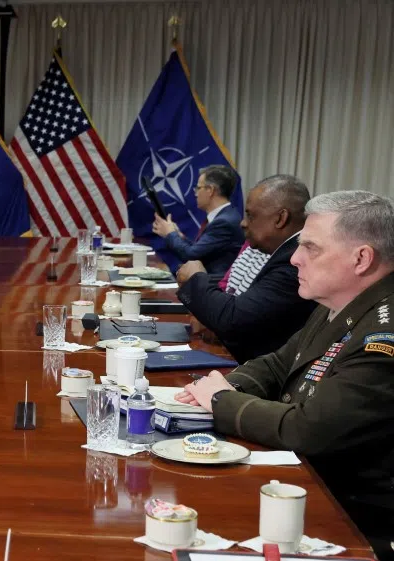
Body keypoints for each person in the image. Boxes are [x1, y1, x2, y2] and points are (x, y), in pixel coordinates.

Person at [175, 191, 394, 561]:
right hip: (311, 484)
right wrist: (224, 384)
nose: (294, 258)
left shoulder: (383, 335)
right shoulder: (342, 302)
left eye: (311, 248)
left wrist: (221, 400)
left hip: (355, 518)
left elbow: (308, 429)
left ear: (362, 258)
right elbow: (280, 363)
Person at [175, 175, 317, 362]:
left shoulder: (295, 262)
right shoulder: (283, 252)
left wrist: (196, 278)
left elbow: (234, 320)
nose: (243, 223)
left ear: (280, 218)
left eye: (251, 215)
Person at [152, 165, 244, 274]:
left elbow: (191, 256)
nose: (195, 193)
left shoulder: (224, 222)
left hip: (215, 285)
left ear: (210, 190)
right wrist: (179, 236)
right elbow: (200, 250)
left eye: (198, 188)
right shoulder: (225, 216)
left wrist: (170, 233)